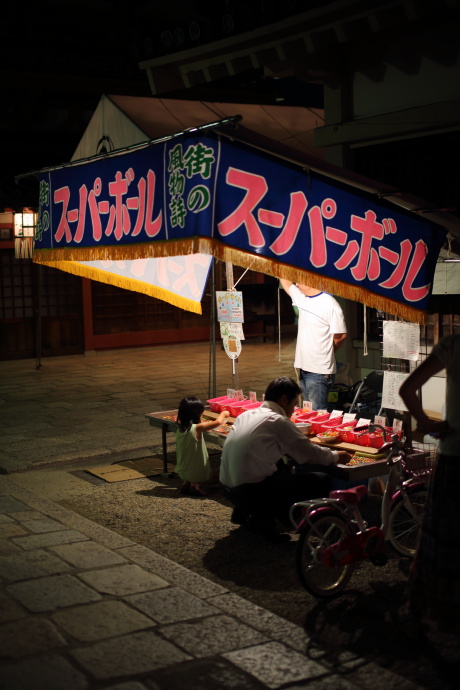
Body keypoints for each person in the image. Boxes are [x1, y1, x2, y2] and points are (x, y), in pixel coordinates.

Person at [220, 376, 352, 541]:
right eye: (294, 403)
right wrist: (336, 456)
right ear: (284, 399)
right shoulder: (277, 420)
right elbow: (309, 453)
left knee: (282, 466)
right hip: (250, 493)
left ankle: (251, 515)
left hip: (228, 489)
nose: (294, 409)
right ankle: (299, 523)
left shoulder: (246, 415)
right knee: (320, 480)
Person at [399, 334, 459, 635]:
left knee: (439, 537)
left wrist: (426, 423)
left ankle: (427, 608)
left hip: (452, 459)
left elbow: (407, 389)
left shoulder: (453, 345)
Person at [280, 279, 347, 411]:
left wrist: (327, 351)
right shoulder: (303, 298)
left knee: (318, 412)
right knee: (308, 411)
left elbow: (340, 336)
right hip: (304, 367)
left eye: (299, 281)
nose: (297, 284)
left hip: (319, 370)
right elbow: (287, 283)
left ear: (311, 281)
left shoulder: (329, 304)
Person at [176, 396, 230, 497]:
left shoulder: (180, 429)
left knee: (191, 467)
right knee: (220, 475)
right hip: (199, 474)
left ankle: (188, 483)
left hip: (182, 473)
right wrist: (224, 413)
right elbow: (218, 422)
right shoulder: (197, 428)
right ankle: (197, 485)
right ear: (197, 414)